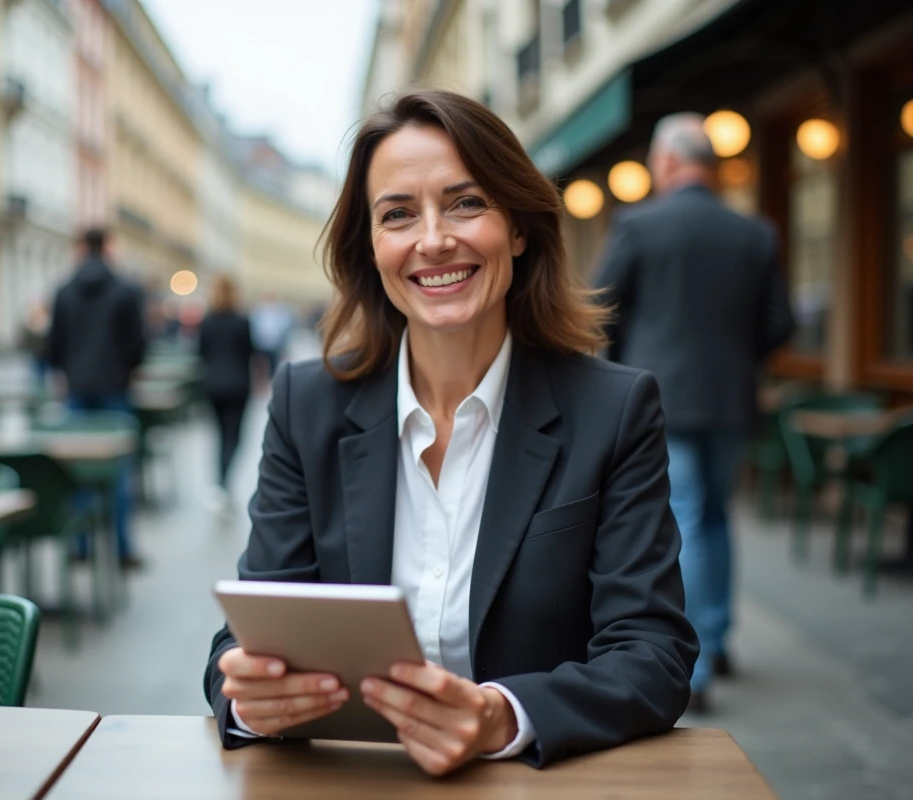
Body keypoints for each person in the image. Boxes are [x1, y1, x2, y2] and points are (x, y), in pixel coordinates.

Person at [204, 90, 698, 774]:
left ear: (519, 228)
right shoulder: (304, 403)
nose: (433, 239)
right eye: (398, 214)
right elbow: (247, 632)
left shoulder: (612, 410)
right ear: (372, 248)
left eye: (466, 203)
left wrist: (502, 716)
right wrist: (249, 695)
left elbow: (653, 653)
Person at [593, 114, 794, 714]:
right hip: (731, 401)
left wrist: (620, 367)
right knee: (715, 515)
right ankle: (721, 639)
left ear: (672, 162)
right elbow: (780, 323)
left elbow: (601, 308)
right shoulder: (755, 232)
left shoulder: (638, 224)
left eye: (656, 164)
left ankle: (698, 667)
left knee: (683, 518)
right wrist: (738, 361)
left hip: (659, 398)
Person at [49, 227, 146, 569]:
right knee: (118, 470)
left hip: (76, 387)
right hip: (115, 387)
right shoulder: (126, 290)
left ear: (80, 247)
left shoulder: (63, 291)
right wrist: (128, 368)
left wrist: (68, 370)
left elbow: (53, 345)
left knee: (76, 469)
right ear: (107, 247)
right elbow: (138, 343)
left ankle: (80, 545)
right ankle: (122, 549)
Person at [197, 274, 257, 511]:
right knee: (234, 437)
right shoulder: (242, 320)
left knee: (219, 436)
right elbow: (250, 352)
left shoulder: (207, 321)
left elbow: (201, 352)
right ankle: (223, 483)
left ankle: (219, 484)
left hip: (212, 384)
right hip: (238, 384)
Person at [249, 293, 292, 377]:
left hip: (275, 344)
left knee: (274, 363)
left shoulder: (281, 313)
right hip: (262, 344)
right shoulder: (259, 312)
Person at [19, 298, 51, 390]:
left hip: (47, 357)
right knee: (36, 380)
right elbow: (24, 342)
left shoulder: (47, 325)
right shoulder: (29, 326)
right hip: (35, 358)